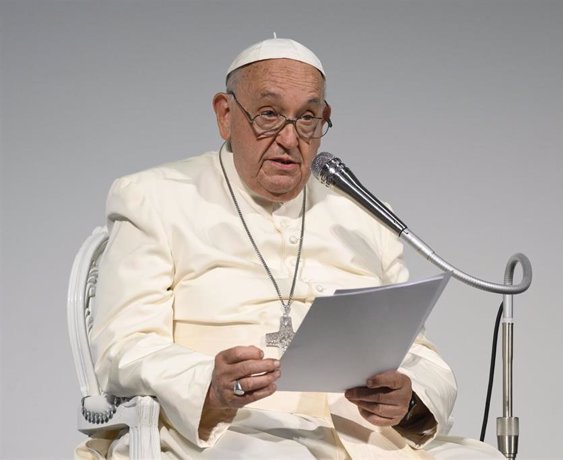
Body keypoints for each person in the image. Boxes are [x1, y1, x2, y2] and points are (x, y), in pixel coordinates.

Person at [75, 37, 504, 459]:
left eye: (308, 119)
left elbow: (420, 354)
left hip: (362, 440)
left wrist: (407, 398)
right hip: (226, 434)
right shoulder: (154, 197)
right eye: (268, 114)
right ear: (226, 115)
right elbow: (122, 346)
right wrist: (208, 383)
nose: (289, 138)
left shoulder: (363, 215)